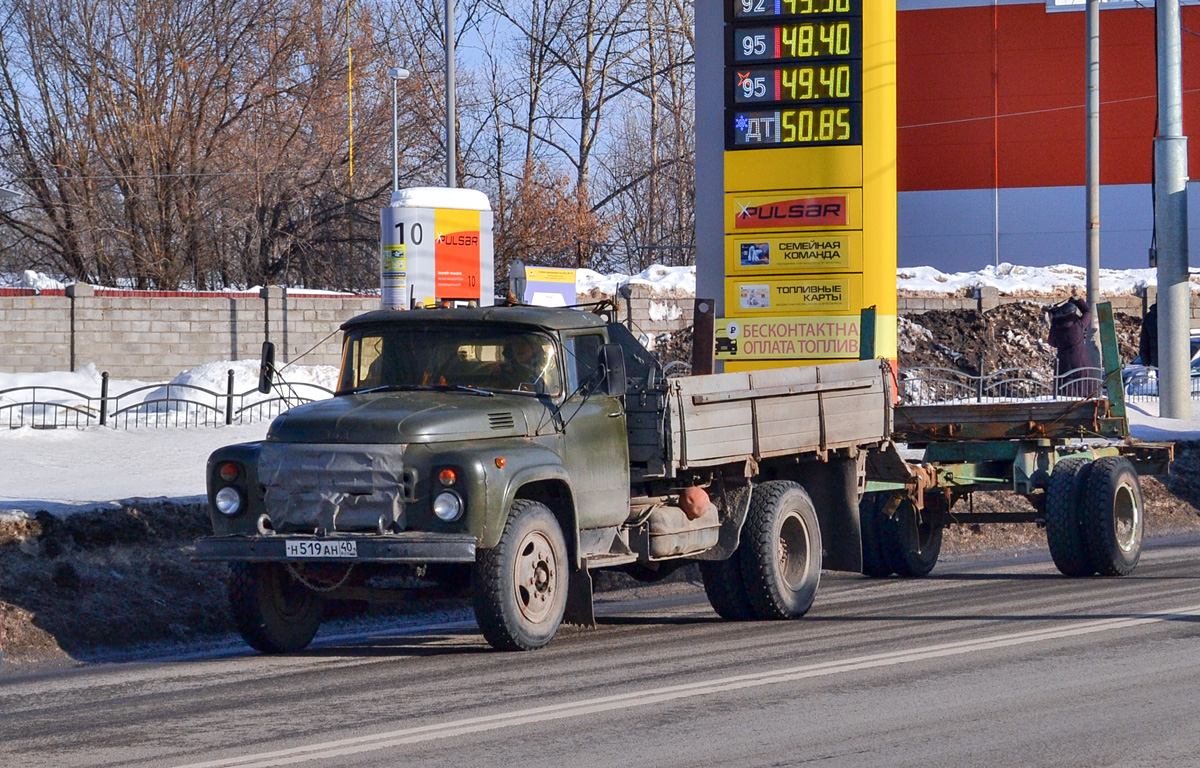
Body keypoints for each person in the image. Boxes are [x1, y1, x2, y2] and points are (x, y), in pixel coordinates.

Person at [1047, 297, 1093, 397]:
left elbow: (1051, 342)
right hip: (1080, 361)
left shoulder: (1056, 327)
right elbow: (1088, 312)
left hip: (1064, 362)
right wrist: (1076, 301)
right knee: (1084, 388)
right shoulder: (1077, 325)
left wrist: (1054, 318)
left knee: (1066, 392)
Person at [1138, 302, 1158, 367]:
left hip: (1176, 362)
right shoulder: (1150, 318)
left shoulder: (1177, 314)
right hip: (1156, 362)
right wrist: (1145, 360)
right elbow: (1144, 341)